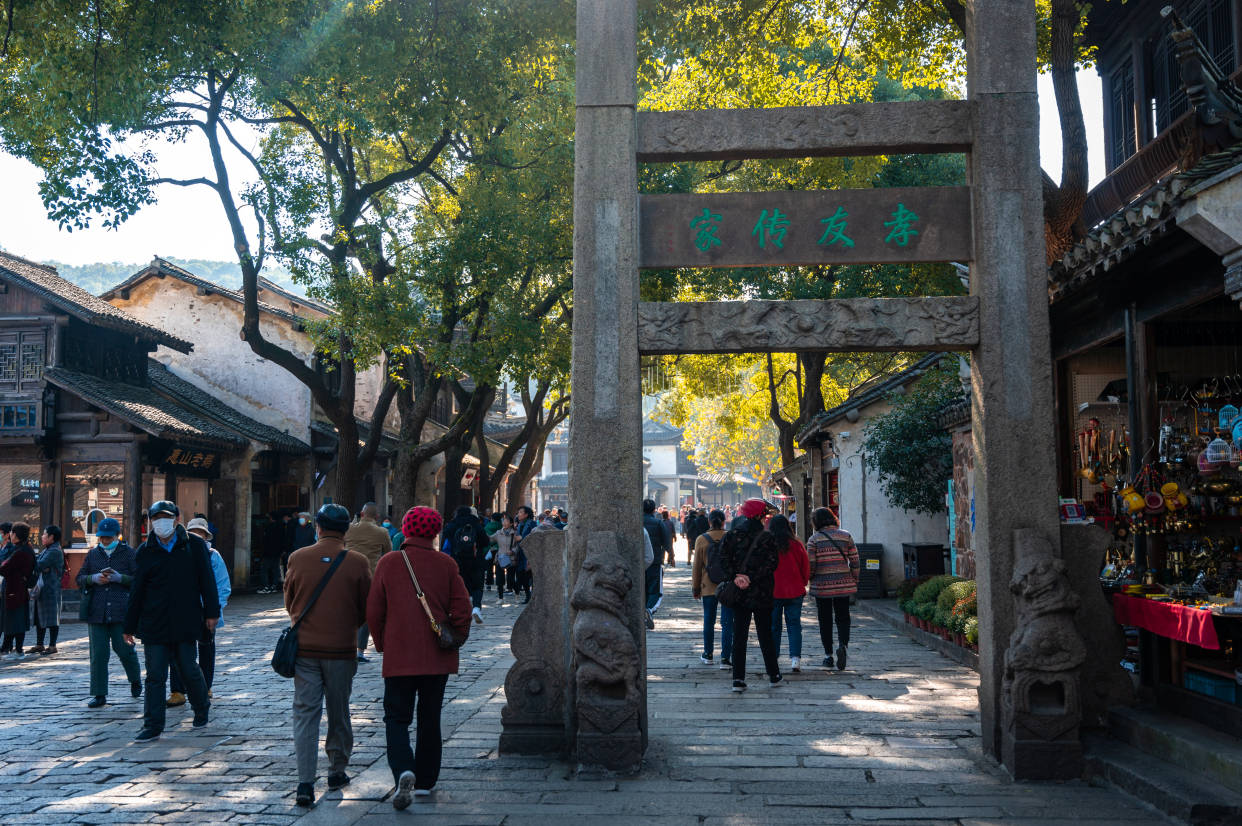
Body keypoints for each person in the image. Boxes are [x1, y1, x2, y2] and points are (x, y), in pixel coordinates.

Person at [368, 505, 471, 810]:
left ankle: (404, 769)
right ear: (436, 531)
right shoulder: (446, 564)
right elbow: (462, 609)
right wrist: (455, 638)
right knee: (430, 717)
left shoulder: (389, 562)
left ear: (407, 529)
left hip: (400, 654)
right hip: (436, 658)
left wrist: (381, 643)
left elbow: (374, 610)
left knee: (396, 717)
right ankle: (425, 780)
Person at [284, 503, 372, 808]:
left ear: (317, 527)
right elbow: (366, 609)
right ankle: (336, 771)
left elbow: (290, 601)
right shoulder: (358, 562)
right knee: (339, 711)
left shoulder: (298, 558)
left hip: (305, 650)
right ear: (346, 530)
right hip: (341, 650)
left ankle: (305, 782)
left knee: (305, 715)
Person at [124, 501, 220, 741]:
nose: (160, 522)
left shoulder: (195, 546)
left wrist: (211, 613)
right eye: (155, 518)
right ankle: (153, 725)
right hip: (154, 623)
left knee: (188, 668)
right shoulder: (145, 551)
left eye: (165, 517)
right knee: (155, 675)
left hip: (185, 620)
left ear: (177, 519)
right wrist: (129, 626)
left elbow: (207, 582)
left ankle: (201, 707)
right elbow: (137, 591)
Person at [78, 518, 142, 707]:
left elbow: (139, 579)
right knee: (98, 654)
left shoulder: (129, 553)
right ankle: (99, 693)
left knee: (124, 650)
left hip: (121, 609)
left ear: (117, 536)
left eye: (108, 537)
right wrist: (93, 578)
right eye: (102, 538)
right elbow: (79, 578)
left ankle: (135, 679)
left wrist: (120, 578)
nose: (105, 541)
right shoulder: (93, 555)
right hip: (96, 611)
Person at [168, 518, 231, 706]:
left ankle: (205, 686)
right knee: (177, 651)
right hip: (182, 610)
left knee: (206, 649)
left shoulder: (213, 556)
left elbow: (223, 585)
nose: (197, 535)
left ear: (206, 535)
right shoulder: (178, 552)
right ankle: (177, 690)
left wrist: (214, 610)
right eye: (193, 531)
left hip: (206, 611)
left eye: (200, 532)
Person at [722, 498, 781, 692]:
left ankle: (738, 678)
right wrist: (751, 578)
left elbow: (723, 560)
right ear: (760, 514)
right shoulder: (768, 537)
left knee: (739, 635)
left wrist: (737, 578)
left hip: (740, 593)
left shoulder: (732, 534)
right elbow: (772, 564)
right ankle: (773, 674)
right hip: (762, 592)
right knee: (765, 634)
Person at [807, 507, 859, 671]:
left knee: (825, 620)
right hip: (843, 583)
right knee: (843, 617)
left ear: (816, 522)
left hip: (822, 586)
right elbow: (855, 561)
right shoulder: (846, 535)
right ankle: (843, 645)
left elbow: (812, 565)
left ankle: (828, 655)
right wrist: (854, 580)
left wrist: (810, 579)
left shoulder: (814, 540)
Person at [345, 502, 392, 663]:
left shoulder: (349, 529)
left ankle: (345, 646)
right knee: (365, 615)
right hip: (370, 576)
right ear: (377, 516)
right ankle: (359, 651)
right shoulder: (381, 532)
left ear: (362, 514)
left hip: (348, 575)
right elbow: (388, 553)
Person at [767, 514, 810, 672]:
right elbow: (805, 566)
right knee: (794, 625)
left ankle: (773, 657)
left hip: (773, 591)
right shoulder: (796, 544)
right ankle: (795, 659)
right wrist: (803, 582)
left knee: (773, 626)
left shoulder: (768, 545)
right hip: (794, 591)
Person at [691, 509, 732, 667]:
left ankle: (708, 654)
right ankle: (725, 658)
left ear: (709, 522)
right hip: (728, 586)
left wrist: (696, 588)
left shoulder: (701, 539)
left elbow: (696, 567)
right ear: (724, 522)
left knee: (709, 620)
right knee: (727, 622)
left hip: (708, 586)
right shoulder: (730, 536)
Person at [441, 506, 489, 624]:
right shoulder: (476, 524)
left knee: (460, 585)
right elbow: (485, 541)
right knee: (477, 586)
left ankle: (462, 611)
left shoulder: (452, 525)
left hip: (457, 561)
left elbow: (445, 540)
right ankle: (476, 608)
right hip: (475, 560)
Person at [0, 523, 36, 657]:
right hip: (19, 588)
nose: (11, 535)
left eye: (12, 533)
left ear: (17, 535)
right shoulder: (25, 549)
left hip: (15, 589)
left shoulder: (21, 552)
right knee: (15, 619)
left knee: (15, 620)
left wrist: (3, 565)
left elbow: (4, 568)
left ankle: (18, 649)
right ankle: (11, 648)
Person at [30, 525, 64, 654]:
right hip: (44, 588)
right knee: (40, 617)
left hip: (51, 589)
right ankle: (39, 644)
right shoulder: (48, 549)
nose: (42, 536)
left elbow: (39, 565)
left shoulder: (54, 550)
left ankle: (52, 645)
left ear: (52, 537)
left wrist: (42, 567)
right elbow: (39, 563)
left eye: (44, 534)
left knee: (52, 618)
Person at [642, 500, 666, 629]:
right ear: (654, 510)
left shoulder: (636, 523)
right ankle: (649, 610)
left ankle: (643, 611)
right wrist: (671, 556)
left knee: (643, 588)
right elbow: (666, 540)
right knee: (655, 590)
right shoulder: (658, 523)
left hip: (639, 562)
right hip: (655, 561)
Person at [512, 505, 537, 603]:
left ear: (526, 514)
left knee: (530, 575)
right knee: (521, 575)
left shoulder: (532, 524)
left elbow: (535, 536)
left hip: (529, 553)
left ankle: (533, 596)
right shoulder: (519, 524)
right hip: (520, 553)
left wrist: (522, 538)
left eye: (520, 512)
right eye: (518, 512)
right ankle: (528, 595)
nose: (518, 514)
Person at [492, 514, 518, 601]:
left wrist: (513, 551)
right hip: (500, 558)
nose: (504, 522)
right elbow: (490, 539)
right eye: (503, 520)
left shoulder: (514, 533)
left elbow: (518, 546)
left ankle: (517, 594)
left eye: (506, 521)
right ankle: (500, 597)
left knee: (511, 579)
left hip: (511, 558)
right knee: (499, 579)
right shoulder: (498, 532)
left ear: (511, 524)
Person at [258, 511, 285, 594]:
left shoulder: (269, 527)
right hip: (277, 552)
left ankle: (266, 586)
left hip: (269, 552)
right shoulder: (282, 527)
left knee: (264, 569)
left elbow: (266, 541)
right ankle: (274, 586)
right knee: (275, 569)